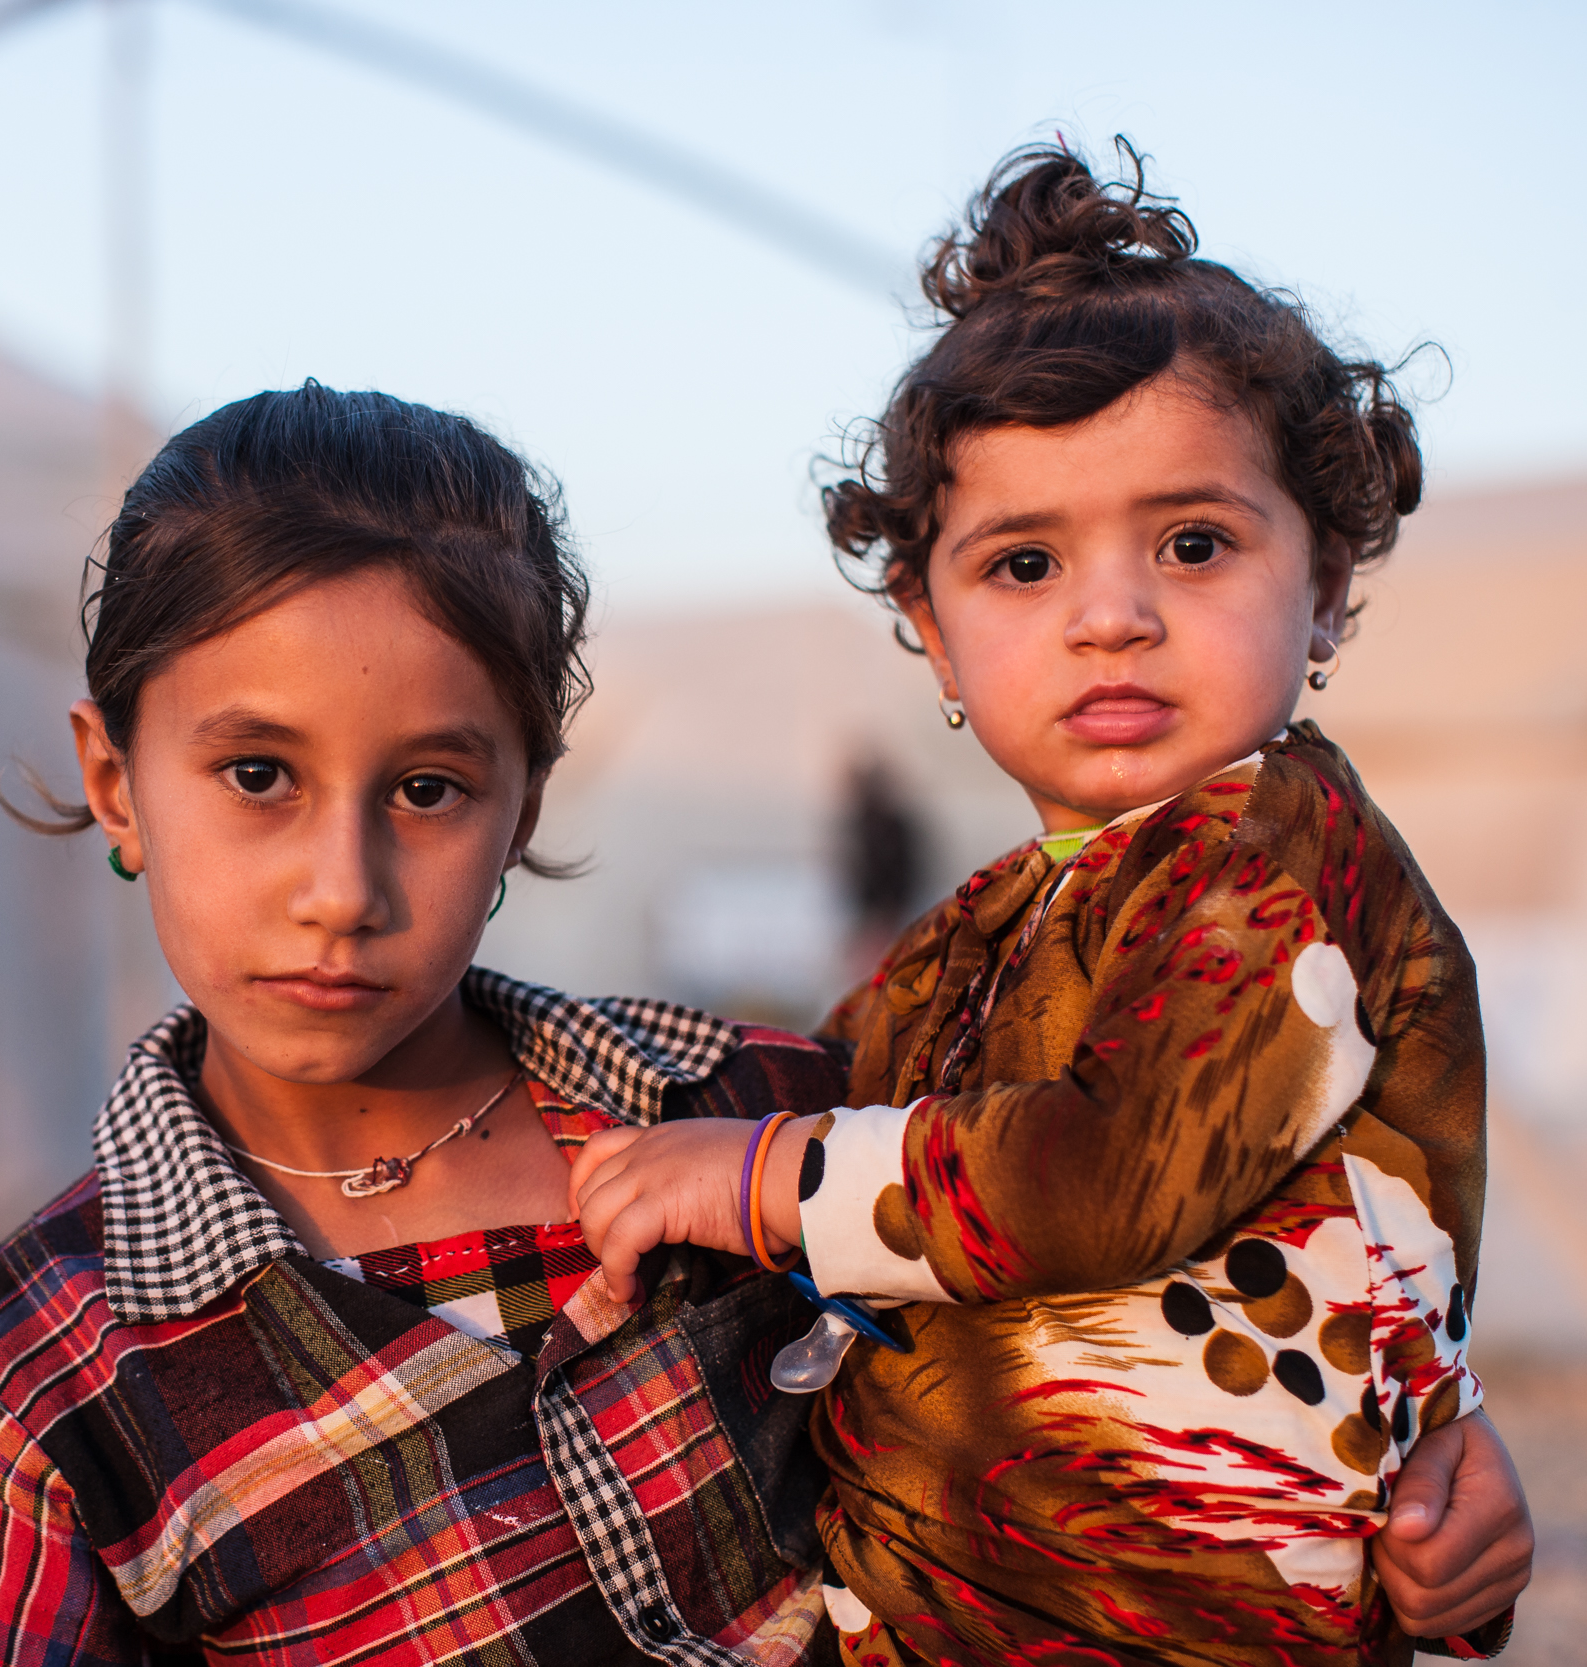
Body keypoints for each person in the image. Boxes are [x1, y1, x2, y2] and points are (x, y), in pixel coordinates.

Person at [568, 143, 1532, 1664]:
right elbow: (817, 1087)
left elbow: (1105, 1176)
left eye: (1194, 543)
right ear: (933, 633)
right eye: (1024, 562)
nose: (1112, 614)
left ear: (1328, 578)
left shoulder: (1278, 852)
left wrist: (757, 1174)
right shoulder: (986, 921)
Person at [0, 383, 852, 1665]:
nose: (342, 890)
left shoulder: (760, 1114)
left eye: (427, 789)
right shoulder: (65, 1355)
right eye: (257, 776)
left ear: (519, 814)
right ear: (115, 786)